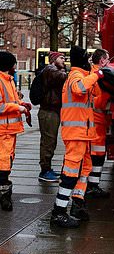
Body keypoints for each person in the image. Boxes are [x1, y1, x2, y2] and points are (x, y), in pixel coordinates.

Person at [51, 46, 103, 228]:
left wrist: (96, 75)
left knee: (84, 169)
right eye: (87, 58)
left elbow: (93, 96)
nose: (89, 61)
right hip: (76, 134)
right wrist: (97, 75)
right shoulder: (75, 76)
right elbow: (79, 89)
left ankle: (77, 204)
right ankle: (59, 212)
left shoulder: (81, 74)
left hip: (83, 134)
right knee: (71, 172)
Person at [0, 52, 31, 211]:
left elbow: (10, 101)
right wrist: (18, 107)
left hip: (9, 130)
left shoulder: (8, 80)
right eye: (14, 64)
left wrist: (22, 104)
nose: (15, 66)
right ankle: (4, 197)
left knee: (7, 160)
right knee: (4, 163)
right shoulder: (2, 80)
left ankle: (4, 193)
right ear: (8, 65)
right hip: (3, 131)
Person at [38, 51, 67, 182]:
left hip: (52, 111)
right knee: (48, 141)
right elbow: (63, 77)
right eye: (61, 58)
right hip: (48, 111)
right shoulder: (51, 69)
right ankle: (44, 171)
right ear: (53, 59)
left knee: (51, 141)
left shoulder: (53, 70)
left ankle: (47, 168)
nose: (64, 60)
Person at [86, 49, 111, 198]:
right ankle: (92, 186)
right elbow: (97, 102)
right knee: (97, 155)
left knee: (97, 154)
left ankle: (92, 185)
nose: (109, 62)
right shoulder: (98, 77)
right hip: (96, 122)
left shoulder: (94, 75)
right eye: (107, 59)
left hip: (97, 122)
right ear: (102, 60)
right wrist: (108, 94)